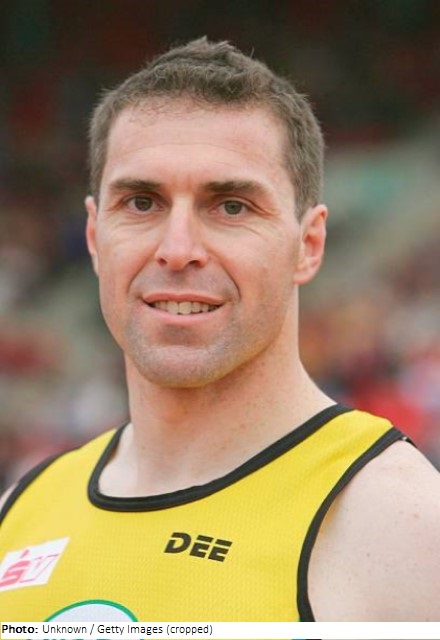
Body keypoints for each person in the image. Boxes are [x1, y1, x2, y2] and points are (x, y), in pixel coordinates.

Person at [0, 37, 439, 624]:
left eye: (231, 206)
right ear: (94, 237)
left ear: (308, 245)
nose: (178, 249)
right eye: (141, 202)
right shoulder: (22, 512)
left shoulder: (398, 525)